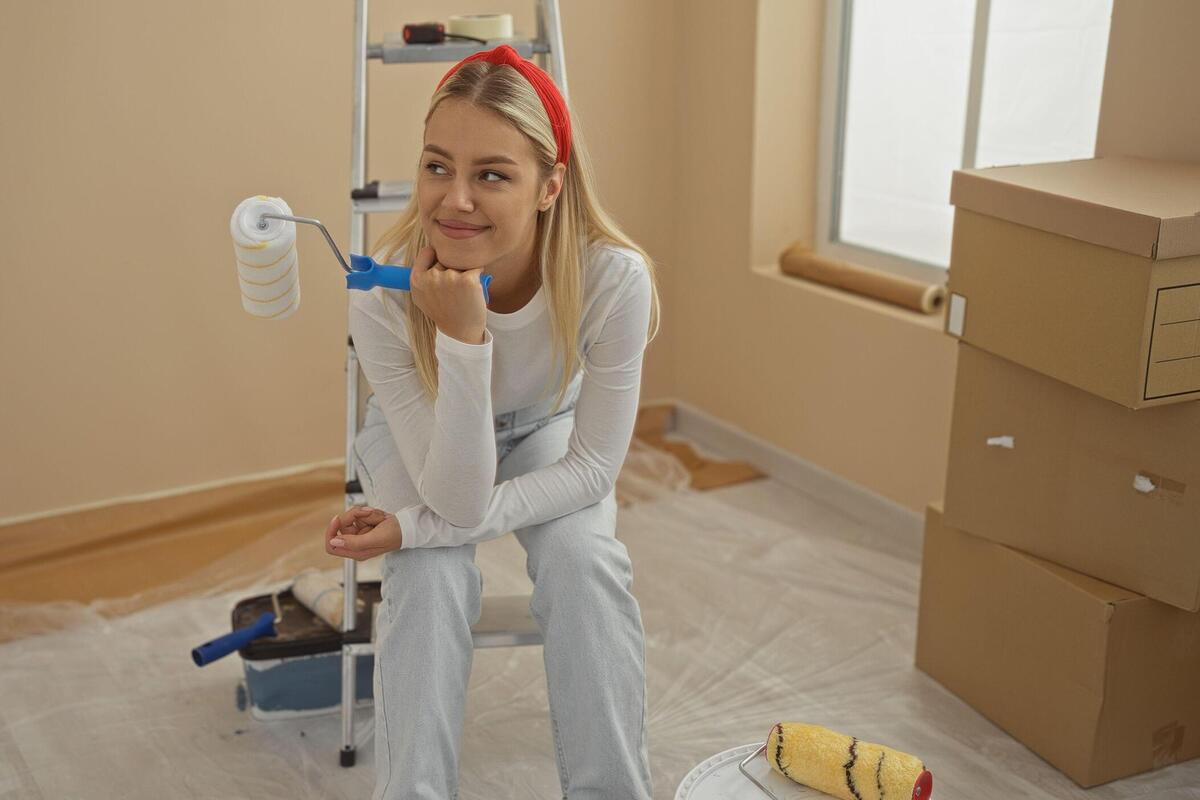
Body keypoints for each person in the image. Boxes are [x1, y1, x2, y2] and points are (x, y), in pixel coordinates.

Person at [323, 44, 661, 800]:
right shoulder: (379, 294)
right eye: (437, 166)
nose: (455, 200)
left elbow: (591, 469)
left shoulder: (612, 279)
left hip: (546, 425)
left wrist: (413, 526)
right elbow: (455, 498)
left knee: (583, 560)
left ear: (549, 186)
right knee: (428, 572)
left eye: (493, 175)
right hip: (419, 435)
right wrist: (462, 340)